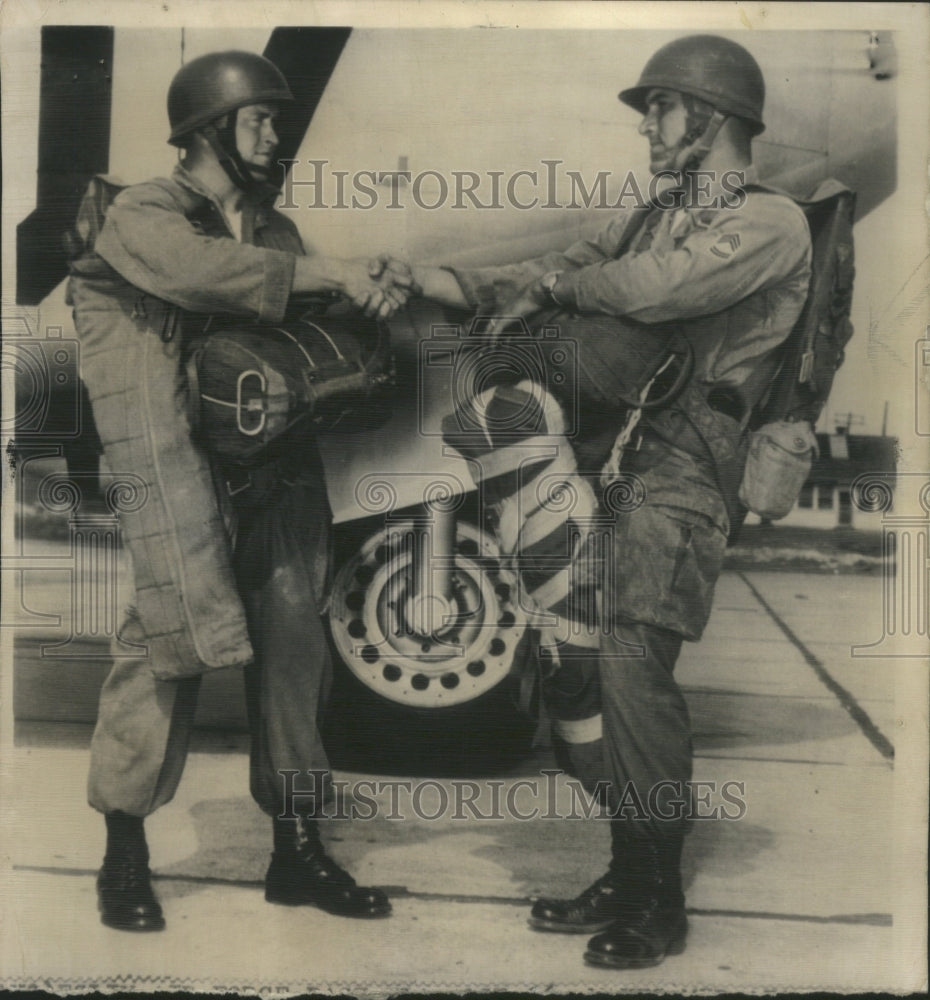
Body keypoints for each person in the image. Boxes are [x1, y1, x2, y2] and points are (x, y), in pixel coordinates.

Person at [396, 35, 813, 968]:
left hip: (685, 473)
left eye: (660, 109)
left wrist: (557, 286)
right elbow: (553, 265)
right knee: (573, 667)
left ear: (712, 117)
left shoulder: (770, 221)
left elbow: (657, 290)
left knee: (631, 667)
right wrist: (435, 280)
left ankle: (659, 894)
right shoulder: (648, 217)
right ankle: (627, 867)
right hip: (611, 461)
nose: (647, 127)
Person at [69, 50, 413, 933]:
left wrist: (371, 296)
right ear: (210, 129)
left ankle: (296, 850)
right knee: (160, 649)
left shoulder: (277, 230)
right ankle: (124, 856)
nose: (273, 134)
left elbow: (297, 323)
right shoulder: (142, 213)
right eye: (258, 119)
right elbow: (202, 273)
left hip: (274, 473)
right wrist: (334, 274)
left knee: (297, 649)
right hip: (175, 470)